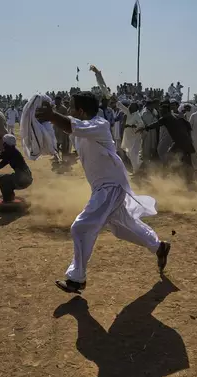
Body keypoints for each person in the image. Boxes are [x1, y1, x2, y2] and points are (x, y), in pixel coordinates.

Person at [35, 91, 170, 294]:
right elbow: (67, 125)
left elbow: (70, 125)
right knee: (122, 228)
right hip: (103, 188)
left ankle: (76, 279)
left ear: (81, 110)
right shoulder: (80, 126)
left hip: (111, 187)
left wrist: (52, 115)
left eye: (72, 107)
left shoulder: (99, 125)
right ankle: (159, 247)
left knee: (80, 228)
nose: (70, 111)